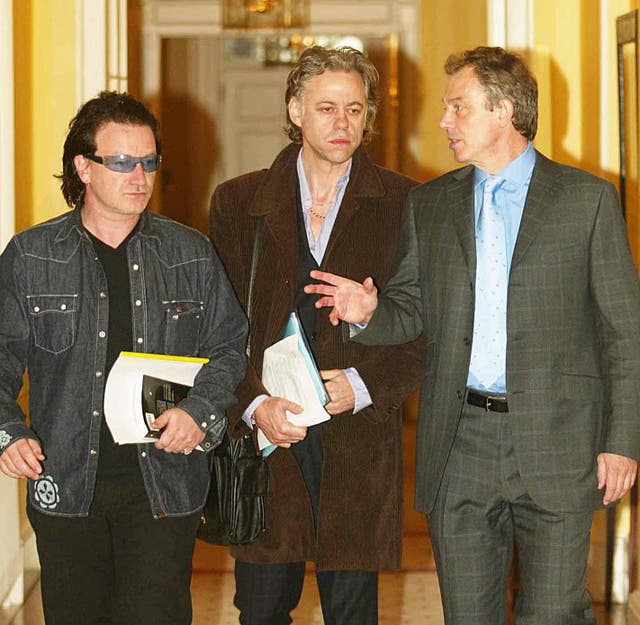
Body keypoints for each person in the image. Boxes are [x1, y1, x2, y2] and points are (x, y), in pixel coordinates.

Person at [306, 46, 640, 624]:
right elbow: (411, 310)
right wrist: (369, 310)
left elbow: (625, 335)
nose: (444, 121)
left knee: (555, 613)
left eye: (458, 107)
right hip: (458, 444)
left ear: (504, 110)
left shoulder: (587, 202)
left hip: (559, 443)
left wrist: (623, 441)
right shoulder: (430, 204)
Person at [0, 91, 248, 625]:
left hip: (164, 483)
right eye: (121, 162)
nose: (140, 175)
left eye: (149, 161)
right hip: (66, 483)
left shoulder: (190, 253)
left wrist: (198, 410)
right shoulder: (31, 256)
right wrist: (9, 431)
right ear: (82, 167)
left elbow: (230, 346)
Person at [209, 46, 424, 625]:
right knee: (260, 607)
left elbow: (427, 329)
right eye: (326, 108)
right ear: (295, 110)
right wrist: (254, 404)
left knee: (352, 612)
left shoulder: (407, 204)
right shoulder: (238, 203)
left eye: (355, 109)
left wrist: (363, 384)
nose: (342, 123)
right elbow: (219, 330)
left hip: (357, 440)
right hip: (268, 441)